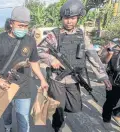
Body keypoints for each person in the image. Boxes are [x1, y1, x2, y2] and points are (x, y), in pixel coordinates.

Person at [37, 0, 112, 131]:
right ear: (62, 18)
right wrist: (51, 59)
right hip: (57, 79)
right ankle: (57, 126)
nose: (69, 21)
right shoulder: (54, 34)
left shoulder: (82, 35)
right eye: (66, 18)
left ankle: (61, 116)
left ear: (78, 18)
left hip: (74, 78)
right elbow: (38, 51)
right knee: (58, 108)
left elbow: (92, 56)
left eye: (73, 18)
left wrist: (104, 77)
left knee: (75, 107)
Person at [0, 6, 49, 132]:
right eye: (20, 25)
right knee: (6, 113)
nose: (23, 29)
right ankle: (8, 127)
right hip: (4, 84)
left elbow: (34, 62)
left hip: (23, 85)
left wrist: (42, 79)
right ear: (11, 23)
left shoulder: (30, 41)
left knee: (23, 117)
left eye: (26, 26)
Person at [99, 38, 120, 128]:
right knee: (111, 102)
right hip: (114, 80)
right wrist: (110, 53)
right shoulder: (113, 44)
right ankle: (106, 119)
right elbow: (104, 61)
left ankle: (117, 113)